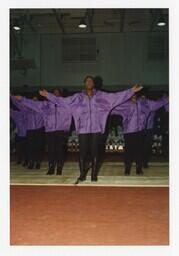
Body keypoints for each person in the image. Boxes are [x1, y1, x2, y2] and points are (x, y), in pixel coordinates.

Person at [39, 75, 143, 183]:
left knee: (95, 152)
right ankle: (82, 174)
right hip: (83, 128)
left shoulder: (102, 96)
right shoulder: (78, 97)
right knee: (82, 153)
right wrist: (48, 95)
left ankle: (94, 175)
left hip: (96, 128)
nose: (89, 82)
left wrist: (131, 91)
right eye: (87, 81)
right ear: (84, 83)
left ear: (93, 84)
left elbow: (116, 96)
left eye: (91, 81)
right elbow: (63, 101)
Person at [14, 89, 72, 175]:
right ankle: (51, 167)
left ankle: (59, 167)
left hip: (61, 130)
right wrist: (22, 99)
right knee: (51, 150)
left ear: (60, 95)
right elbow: (33, 104)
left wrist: (67, 128)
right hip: (50, 130)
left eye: (57, 93)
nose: (55, 95)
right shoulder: (46, 105)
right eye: (54, 93)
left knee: (60, 150)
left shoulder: (65, 104)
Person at [111, 91, 169, 175]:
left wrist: (166, 99)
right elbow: (113, 108)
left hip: (140, 130)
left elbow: (156, 104)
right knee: (128, 151)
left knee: (139, 150)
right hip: (129, 131)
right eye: (132, 93)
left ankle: (139, 168)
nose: (133, 95)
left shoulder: (144, 103)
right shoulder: (125, 104)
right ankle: (127, 168)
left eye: (135, 93)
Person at [11, 96, 44, 170]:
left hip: (39, 130)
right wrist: (11, 96)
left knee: (38, 147)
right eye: (33, 100)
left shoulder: (41, 110)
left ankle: (37, 162)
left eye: (36, 100)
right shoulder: (26, 110)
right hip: (30, 130)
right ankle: (31, 162)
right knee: (30, 147)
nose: (34, 101)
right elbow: (18, 104)